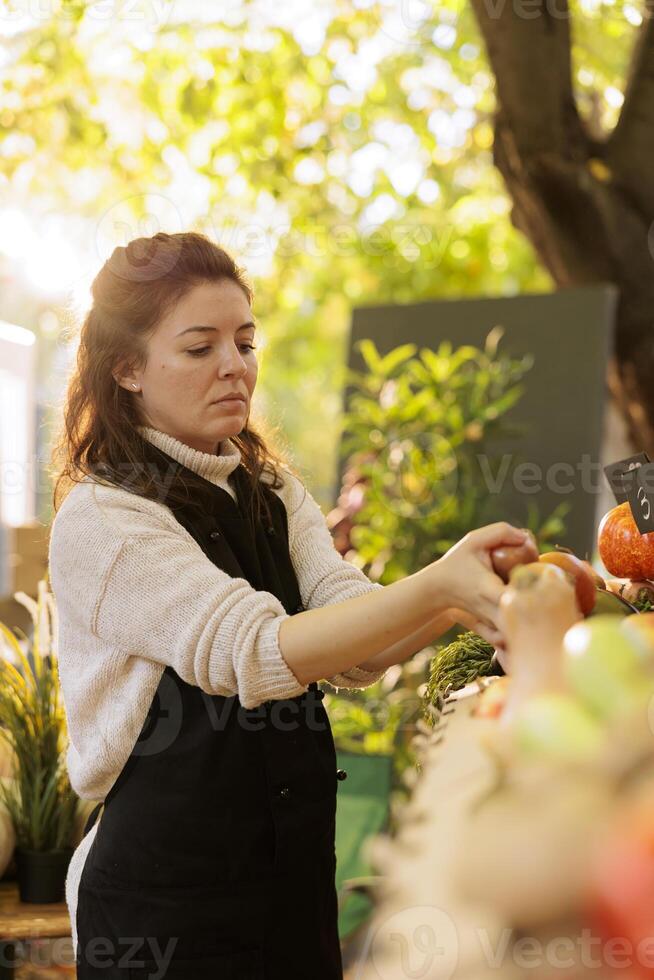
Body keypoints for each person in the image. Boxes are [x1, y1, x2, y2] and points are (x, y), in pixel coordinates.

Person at [48, 230, 529, 980]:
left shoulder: (270, 490)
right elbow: (251, 652)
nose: (235, 367)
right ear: (129, 368)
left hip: (290, 891)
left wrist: (472, 594)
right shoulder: (105, 518)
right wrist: (438, 585)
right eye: (200, 347)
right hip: (163, 917)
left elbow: (358, 640)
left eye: (244, 341)